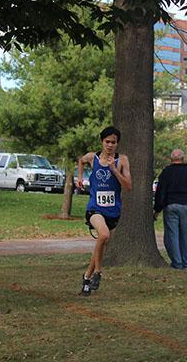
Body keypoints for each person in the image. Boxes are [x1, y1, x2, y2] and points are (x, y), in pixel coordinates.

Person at [76, 126, 132, 296]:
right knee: (104, 235)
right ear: (102, 142)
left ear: (117, 144)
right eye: (107, 141)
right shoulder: (93, 158)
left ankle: (87, 278)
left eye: (113, 142)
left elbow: (128, 186)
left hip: (113, 211)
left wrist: (115, 171)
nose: (110, 145)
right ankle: (98, 274)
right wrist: (79, 178)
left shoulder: (122, 160)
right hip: (95, 208)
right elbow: (80, 160)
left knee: (101, 246)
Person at [153, 149, 187, 270]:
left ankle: (177, 262)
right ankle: (185, 262)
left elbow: (160, 192)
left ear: (171, 159)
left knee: (172, 235)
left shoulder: (166, 172)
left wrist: (157, 209)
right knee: (185, 236)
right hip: (186, 206)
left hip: (171, 206)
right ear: (183, 158)